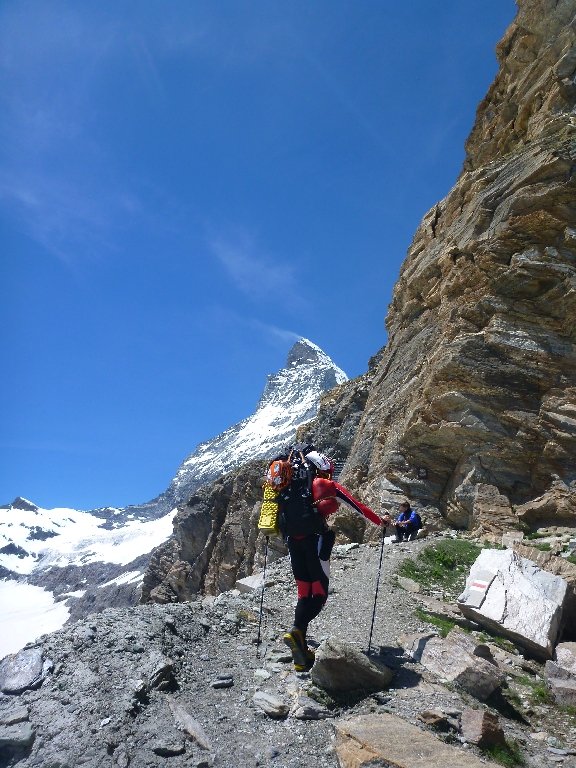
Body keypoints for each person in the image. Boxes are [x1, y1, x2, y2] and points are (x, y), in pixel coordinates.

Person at [277, 447, 384, 672]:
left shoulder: (286, 487)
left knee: (303, 594)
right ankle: (296, 630)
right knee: (319, 595)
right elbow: (358, 507)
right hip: (315, 542)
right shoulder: (325, 485)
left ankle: (301, 656)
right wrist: (381, 522)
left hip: (292, 544)